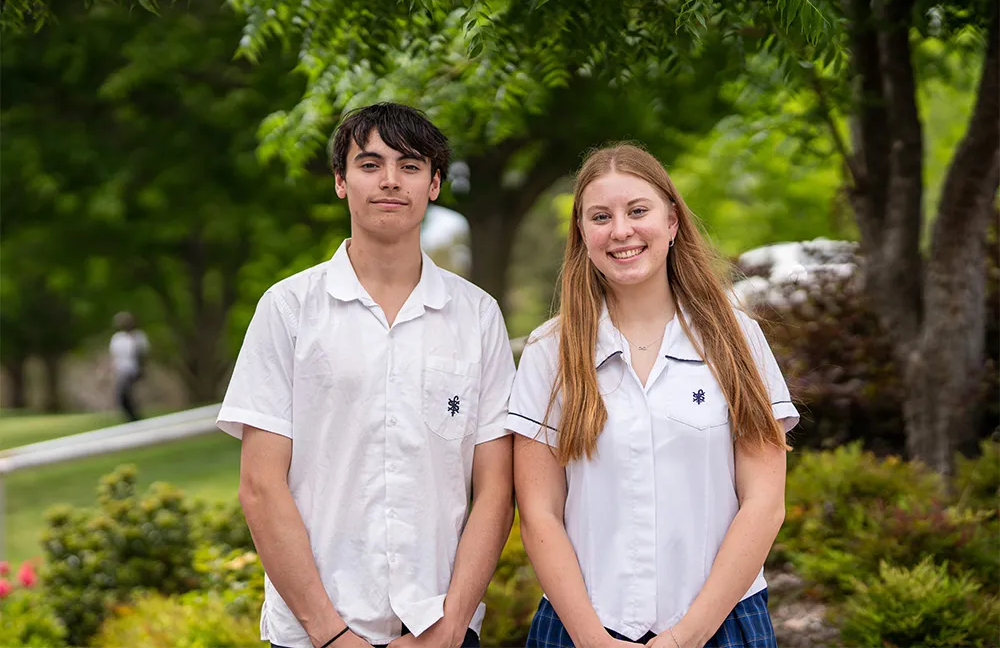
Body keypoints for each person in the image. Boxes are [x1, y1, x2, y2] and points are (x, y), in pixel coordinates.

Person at [217, 102, 516, 648]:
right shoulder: (288, 309)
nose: (390, 181)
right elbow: (260, 486)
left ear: (434, 184)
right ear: (340, 181)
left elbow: (495, 487)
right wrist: (331, 636)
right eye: (370, 164)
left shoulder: (477, 316)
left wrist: (450, 626)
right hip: (314, 633)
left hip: (438, 629)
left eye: (410, 166)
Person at [507, 143, 799, 648]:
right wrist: (594, 641)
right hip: (581, 630)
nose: (621, 230)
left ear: (672, 223)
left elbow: (764, 502)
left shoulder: (738, 340)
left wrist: (686, 637)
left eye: (637, 211)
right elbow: (539, 514)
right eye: (601, 217)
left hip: (721, 626)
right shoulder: (547, 353)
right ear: (582, 235)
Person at [109, 311, 149, 422]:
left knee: (125, 392)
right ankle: (132, 417)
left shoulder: (138, 336)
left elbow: (142, 354)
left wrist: (142, 369)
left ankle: (135, 417)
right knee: (122, 395)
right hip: (121, 370)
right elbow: (114, 356)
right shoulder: (117, 338)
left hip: (132, 369)